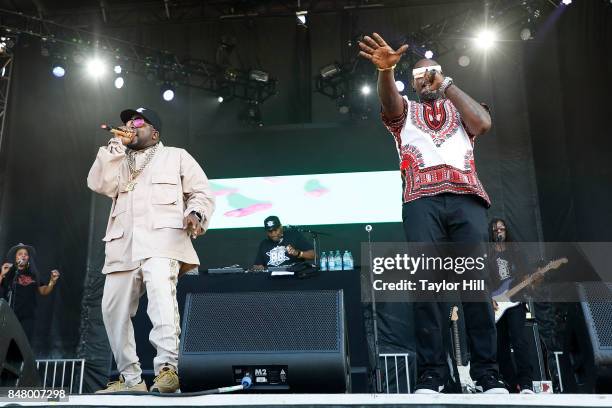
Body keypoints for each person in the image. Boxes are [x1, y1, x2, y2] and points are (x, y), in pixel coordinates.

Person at [359, 33, 507, 393]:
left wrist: (448, 87)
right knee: (428, 289)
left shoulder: (460, 109)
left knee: (475, 287)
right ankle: (433, 374)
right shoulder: (405, 110)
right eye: (420, 75)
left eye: (434, 72)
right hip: (421, 201)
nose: (427, 78)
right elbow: (390, 104)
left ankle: (488, 373)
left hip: (466, 200)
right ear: (410, 81)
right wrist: (386, 71)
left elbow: (483, 123)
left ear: (444, 75)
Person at [87, 107, 215, 393]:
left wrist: (195, 213)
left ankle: (167, 370)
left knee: (161, 302)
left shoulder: (176, 156)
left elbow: (202, 192)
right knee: (112, 310)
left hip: (162, 240)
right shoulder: (119, 159)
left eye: (138, 122)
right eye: (127, 122)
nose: (130, 125)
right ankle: (131, 380)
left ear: (154, 133)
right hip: (123, 245)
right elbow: (97, 184)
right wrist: (114, 148)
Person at [489, 218, 535, 394]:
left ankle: (526, 383)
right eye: (495, 229)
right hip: (496, 304)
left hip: (516, 302)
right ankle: (510, 383)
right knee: (501, 346)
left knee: (519, 341)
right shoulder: (488, 254)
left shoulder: (516, 252)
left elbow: (526, 276)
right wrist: (488, 298)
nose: (499, 231)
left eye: (501, 228)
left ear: (506, 231)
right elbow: (483, 280)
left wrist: (530, 280)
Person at [0, 243, 60, 342]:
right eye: (20, 254)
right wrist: (2, 274)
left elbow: (43, 291)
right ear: (15, 258)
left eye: (25, 254)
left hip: (28, 316)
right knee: (10, 343)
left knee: (24, 342)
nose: (23, 255)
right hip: (11, 314)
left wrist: (52, 282)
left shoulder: (33, 273)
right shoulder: (9, 272)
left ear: (28, 258)